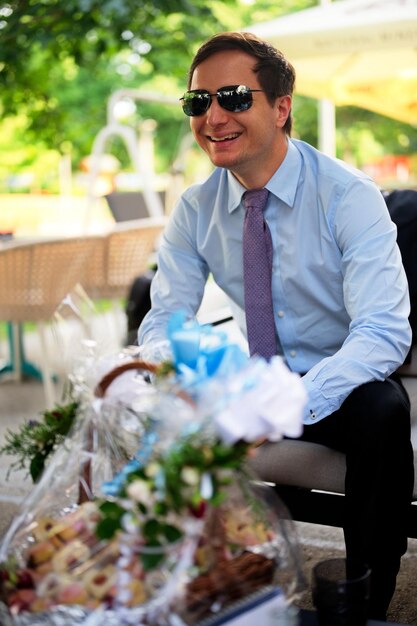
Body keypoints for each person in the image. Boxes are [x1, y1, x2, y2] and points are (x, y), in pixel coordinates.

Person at [138, 31, 414, 620]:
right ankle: (183, 590)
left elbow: (384, 331)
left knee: (385, 413)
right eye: (197, 102)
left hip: (338, 378)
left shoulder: (348, 196)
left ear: (282, 106)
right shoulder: (194, 208)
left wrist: (285, 407)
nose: (213, 116)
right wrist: (185, 376)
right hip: (251, 376)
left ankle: (365, 603)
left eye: (234, 98)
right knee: (145, 400)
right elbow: (163, 319)